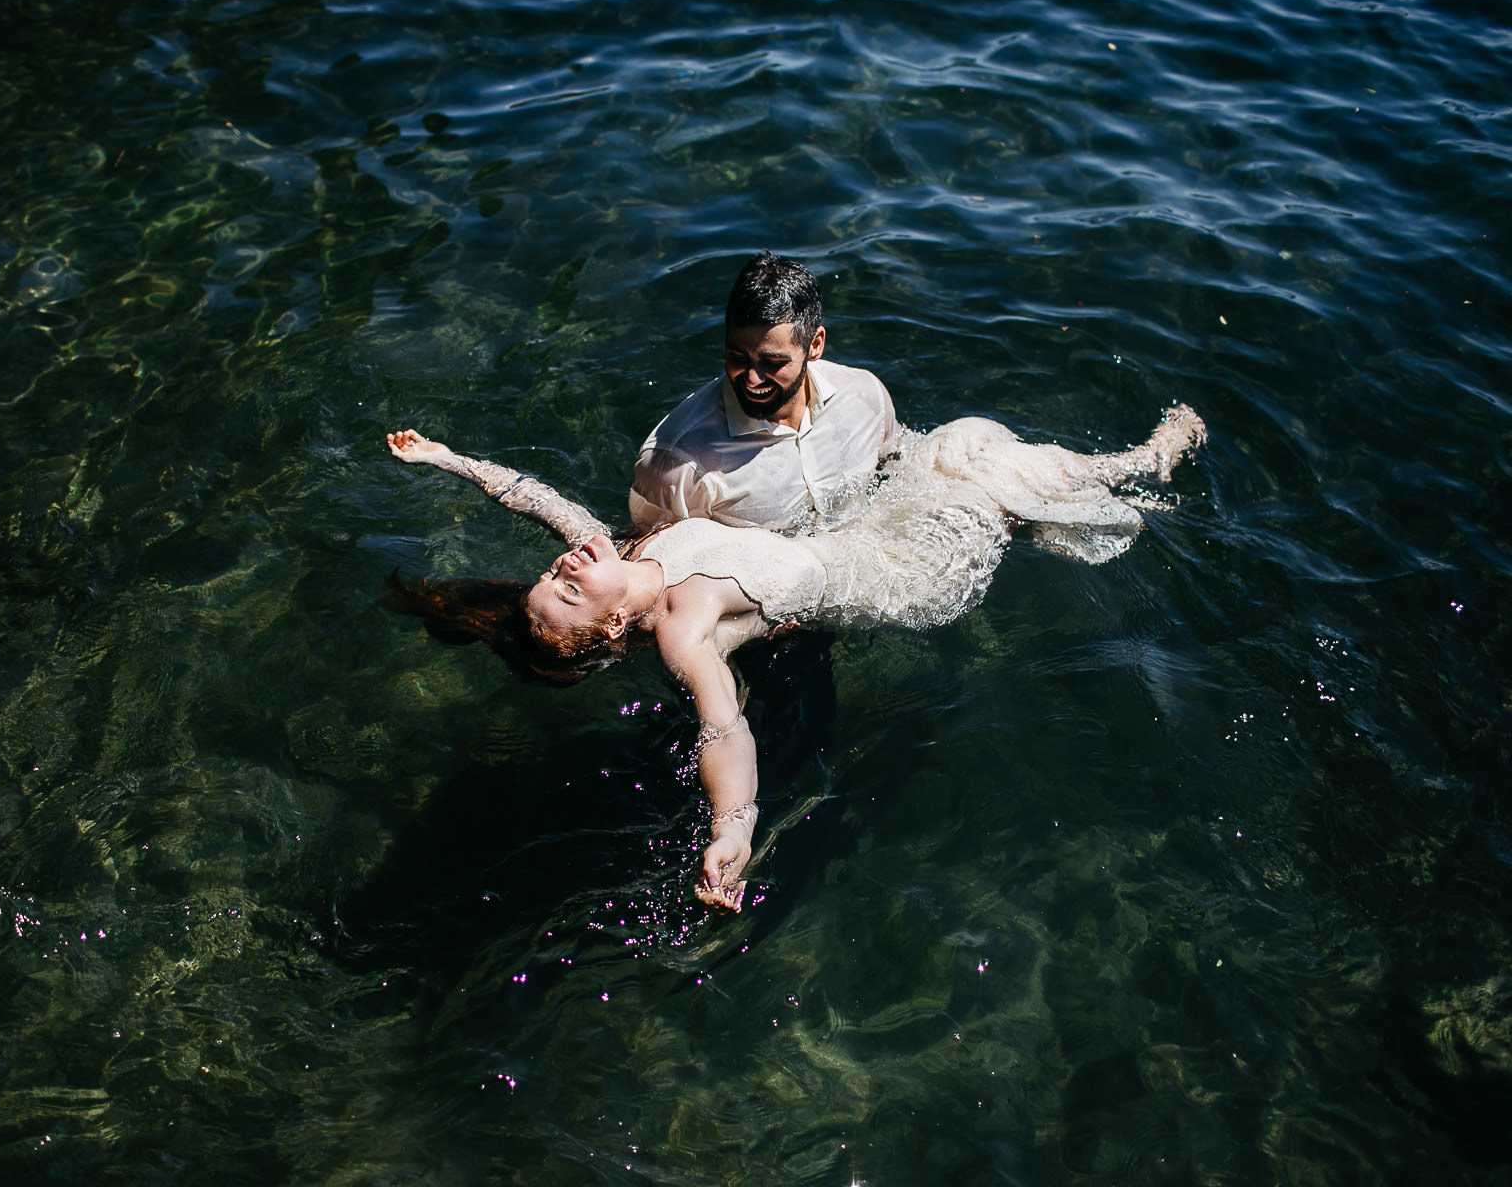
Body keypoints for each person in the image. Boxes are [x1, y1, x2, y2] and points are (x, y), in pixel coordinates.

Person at [384, 405, 1207, 913]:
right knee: (984, 459)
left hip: (868, 533)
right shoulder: (680, 625)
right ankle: (1142, 466)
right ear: (609, 631)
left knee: (956, 448)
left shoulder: (619, 553)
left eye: (550, 576)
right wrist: (731, 831)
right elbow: (724, 730)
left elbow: (538, 501)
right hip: (909, 577)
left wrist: (446, 459)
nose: (561, 568)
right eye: (566, 592)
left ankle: (1071, 500)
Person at [629, 252, 900, 533]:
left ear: (815, 345)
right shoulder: (677, 465)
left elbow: (893, 472)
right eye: (738, 357)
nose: (752, 379)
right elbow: (646, 557)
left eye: (773, 363)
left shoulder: (866, 398)